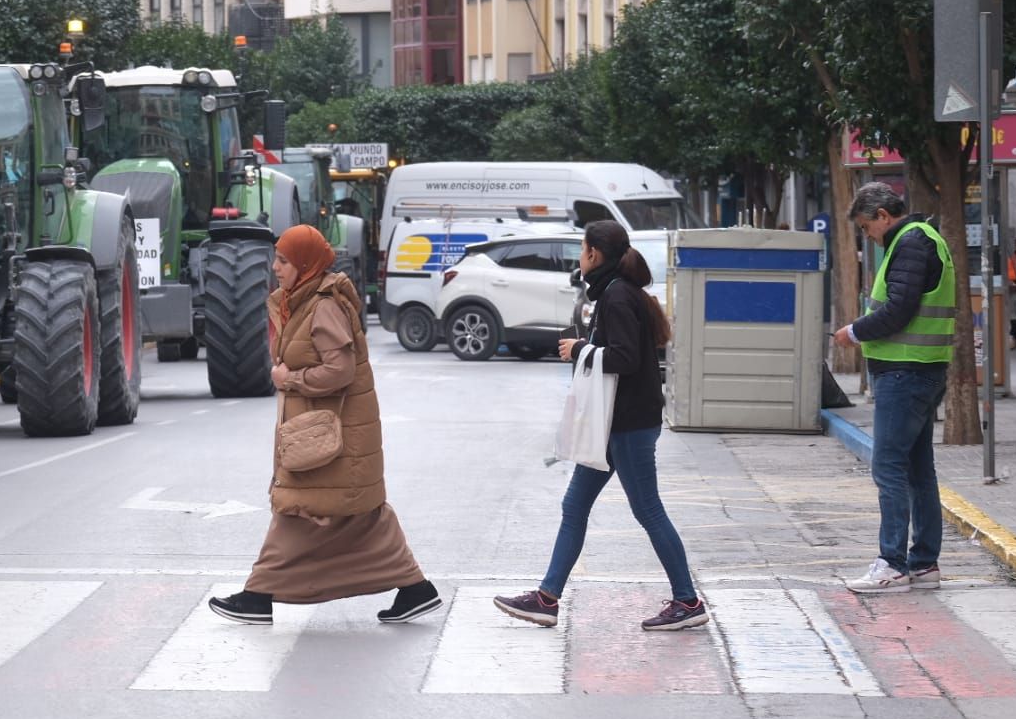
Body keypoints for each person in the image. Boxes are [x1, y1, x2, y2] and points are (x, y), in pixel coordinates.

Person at [209, 224, 441, 625]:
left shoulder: (324, 306)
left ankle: (257, 595)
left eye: (283, 261)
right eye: (276, 260)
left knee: (295, 509)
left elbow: (340, 370)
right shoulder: (301, 302)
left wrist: (290, 380)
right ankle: (415, 588)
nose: (275, 268)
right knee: (364, 516)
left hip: (332, 438)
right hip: (324, 434)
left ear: (303, 264)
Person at [493, 220, 707, 631]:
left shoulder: (617, 297)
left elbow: (625, 358)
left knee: (648, 509)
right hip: (613, 423)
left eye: (582, 250)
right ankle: (546, 598)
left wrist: (580, 349)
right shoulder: (617, 293)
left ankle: (687, 600)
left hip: (628, 424)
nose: (579, 258)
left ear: (594, 254)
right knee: (574, 506)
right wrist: (586, 348)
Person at [833, 181, 953, 594]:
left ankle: (892, 563)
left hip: (906, 372)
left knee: (888, 467)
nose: (868, 236)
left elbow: (898, 308)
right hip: (922, 369)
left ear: (884, 215)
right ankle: (923, 564)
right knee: (919, 469)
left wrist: (855, 331)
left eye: (868, 227)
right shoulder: (923, 238)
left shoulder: (911, 242)